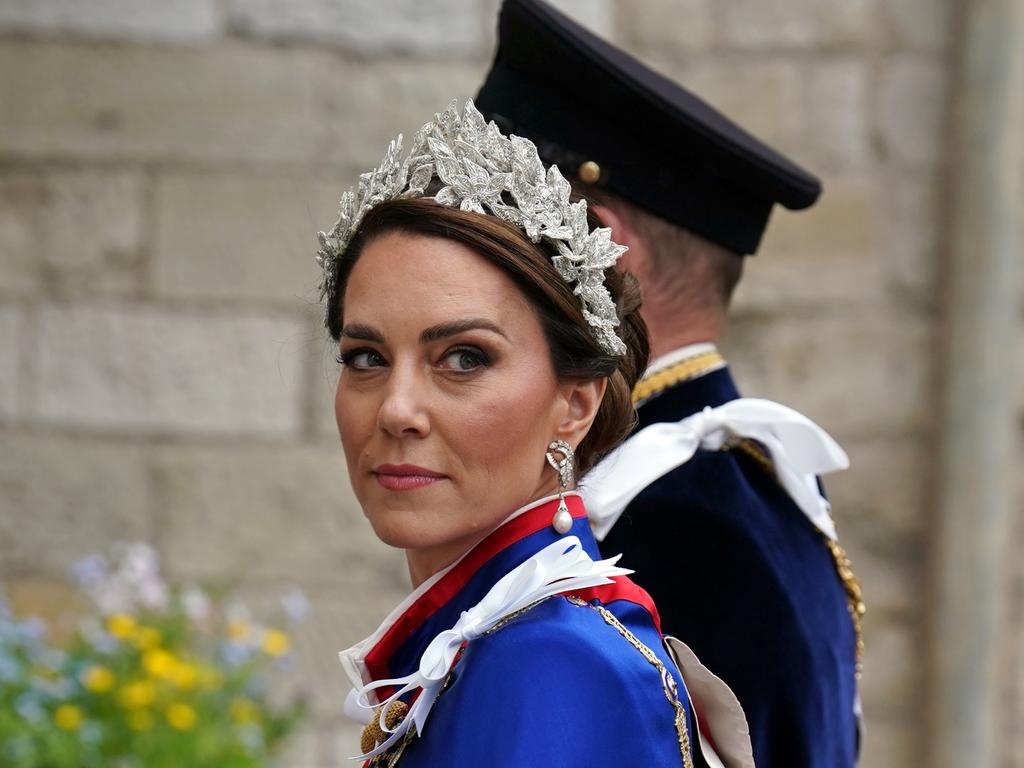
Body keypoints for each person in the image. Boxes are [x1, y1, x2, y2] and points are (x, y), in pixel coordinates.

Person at [475, 1, 863, 766]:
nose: (471, 269)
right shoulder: (724, 486)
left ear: (605, 251)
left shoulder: (682, 519)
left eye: (503, 233)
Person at [319, 100, 751, 767]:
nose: (396, 410)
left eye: (464, 358)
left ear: (575, 405)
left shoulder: (551, 666)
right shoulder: (494, 642)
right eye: (366, 358)